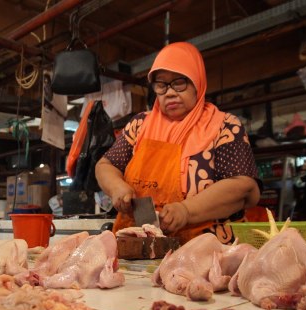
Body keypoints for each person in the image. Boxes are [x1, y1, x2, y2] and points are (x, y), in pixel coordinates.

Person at [95, 42, 261, 244]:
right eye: (161, 85)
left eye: (179, 82)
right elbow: (105, 165)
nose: (170, 92)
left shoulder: (224, 126)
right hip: (140, 248)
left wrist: (186, 211)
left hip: (207, 252)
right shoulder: (139, 125)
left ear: (197, 83)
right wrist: (117, 188)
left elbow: (241, 186)